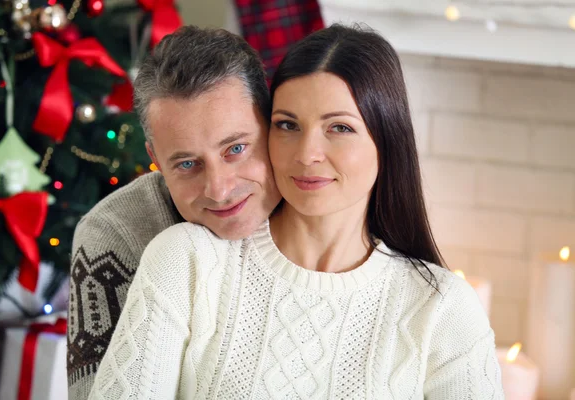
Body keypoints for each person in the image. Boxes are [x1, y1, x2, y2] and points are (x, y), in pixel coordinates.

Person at [87, 24, 504, 399]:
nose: (307, 155)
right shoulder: (186, 261)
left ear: (386, 139)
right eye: (288, 125)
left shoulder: (442, 308)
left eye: (339, 127)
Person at [67, 26, 281, 400]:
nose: (219, 189)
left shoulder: (320, 203)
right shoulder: (112, 235)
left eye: (235, 149)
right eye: (186, 164)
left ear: (271, 125)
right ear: (155, 159)